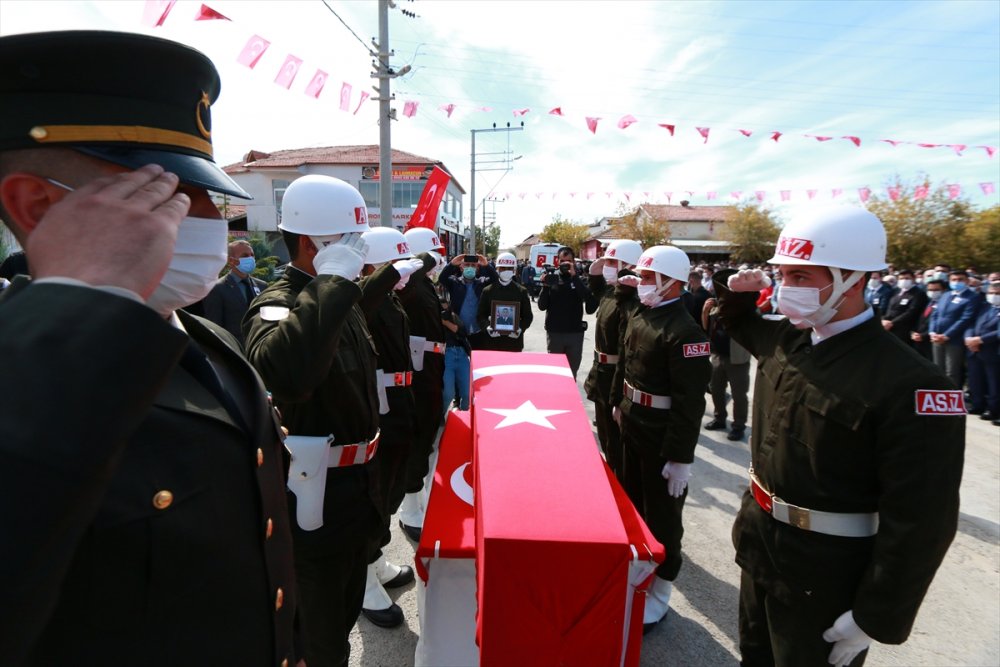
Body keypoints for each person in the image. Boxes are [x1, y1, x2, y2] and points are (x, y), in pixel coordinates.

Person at [0, 31, 296, 666]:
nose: (210, 219)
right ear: (38, 203)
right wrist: (85, 300)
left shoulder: (208, 338)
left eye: (210, 196)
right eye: (167, 193)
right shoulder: (22, 367)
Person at [721, 206, 965, 667]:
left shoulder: (912, 383)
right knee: (753, 656)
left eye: (801, 276)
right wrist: (737, 295)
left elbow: (922, 519)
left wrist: (876, 614)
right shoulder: (789, 339)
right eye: (782, 275)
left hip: (827, 575)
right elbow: (735, 324)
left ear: (853, 279)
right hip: (762, 548)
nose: (785, 288)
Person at [243, 175, 405, 666]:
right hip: (316, 500)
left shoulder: (338, 295)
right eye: (349, 240)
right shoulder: (280, 301)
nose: (359, 249)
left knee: (342, 611)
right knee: (317, 638)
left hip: (358, 489)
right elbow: (285, 374)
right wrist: (333, 283)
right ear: (315, 243)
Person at [611, 245, 711, 633]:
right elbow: (629, 363)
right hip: (633, 421)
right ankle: (638, 570)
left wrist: (681, 457)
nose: (642, 284)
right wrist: (622, 402)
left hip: (661, 433)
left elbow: (689, 405)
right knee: (633, 501)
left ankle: (662, 590)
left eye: (650, 278)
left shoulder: (686, 333)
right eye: (642, 276)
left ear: (673, 283)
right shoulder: (643, 313)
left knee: (663, 515)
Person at [356, 227, 424, 628]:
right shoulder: (364, 300)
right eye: (392, 266)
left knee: (392, 485)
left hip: (398, 401)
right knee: (376, 491)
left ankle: (377, 560)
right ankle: (364, 580)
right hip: (378, 406)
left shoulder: (392, 299)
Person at [396, 227, 450, 541]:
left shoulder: (426, 285)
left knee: (428, 434)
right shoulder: (410, 284)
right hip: (418, 370)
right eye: (434, 253)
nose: (439, 259)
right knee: (417, 439)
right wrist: (421, 259)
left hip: (430, 366)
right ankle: (409, 507)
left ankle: (417, 498)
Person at [583, 238, 642, 480]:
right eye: (606, 260)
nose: (606, 265)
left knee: (618, 447)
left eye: (612, 262)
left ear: (628, 266)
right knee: (606, 439)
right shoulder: (611, 289)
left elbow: (627, 351)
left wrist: (618, 395)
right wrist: (594, 275)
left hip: (615, 377)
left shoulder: (634, 298)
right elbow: (600, 293)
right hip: (602, 372)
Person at [702, 271, 752, 442]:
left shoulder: (745, 306)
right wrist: (706, 310)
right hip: (717, 355)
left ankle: (738, 426)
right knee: (716, 389)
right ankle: (719, 418)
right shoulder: (716, 305)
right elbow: (706, 326)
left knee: (739, 394)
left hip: (737, 358)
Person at [538, 246, 599, 379]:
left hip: (575, 334)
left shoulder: (580, 280)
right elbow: (542, 306)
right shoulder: (552, 278)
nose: (565, 264)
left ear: (574, 262)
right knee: (554, 374)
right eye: (562, 261)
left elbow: (590, 302)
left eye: (568, 261)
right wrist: (545, 287)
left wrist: (574, 277)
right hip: (555, 334)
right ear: (557, 262)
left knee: (571, 375)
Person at [200, 239, 267, 344]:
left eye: (252, 255)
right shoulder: (217, 288)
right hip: (235, 351)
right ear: (231, 260)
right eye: (245, 255)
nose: (250, 258)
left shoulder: (262, 286)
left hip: (259, 349)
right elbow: (215, 328)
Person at [929, 269, 981, 388]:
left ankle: (951, 398)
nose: (956, 282)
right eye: (953, 280)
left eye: (960, 280)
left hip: (954, 340)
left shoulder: (972, 298)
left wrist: (947, 335)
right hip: (936, 338)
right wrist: (932, 332)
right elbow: (935, 314)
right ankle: (939, 396)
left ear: (967, 281)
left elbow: (965, 319)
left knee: (952, 371)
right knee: (938, 369)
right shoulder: (946, 295)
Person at [439, 252, 498, 349]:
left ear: (477, 268)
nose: (470, 267)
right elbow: (442, 278)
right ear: (461, 267)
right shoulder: (454, 282)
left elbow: (496, 280)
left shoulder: (482, 282)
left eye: (473, 265)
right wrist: (452, 264)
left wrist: (487, 265)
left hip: (479, 332)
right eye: (467, 265)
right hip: (458, 332)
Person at [477, 252, 533, 352]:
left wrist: (520, 328)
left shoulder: (521, 291)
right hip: (492, 342)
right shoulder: (488, 290)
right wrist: (487, 327)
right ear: (497, 269)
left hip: (514, 342)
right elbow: (480, 315)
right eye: (502, 268)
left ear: (514, 270)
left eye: (509, 268)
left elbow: (528, 316)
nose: (506, 271)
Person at [964, 281, 1000, 425]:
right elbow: (971, 323)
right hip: (975, 350)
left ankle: (994, 410)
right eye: (991, 293)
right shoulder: (984, 307)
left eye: (997, 294)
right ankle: (978, 405)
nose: (993, 296)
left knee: (994, 383)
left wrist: (980, 340)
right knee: (975, 380)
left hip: (992, 351)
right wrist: (969, 338)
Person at [881, 268, 928, 345]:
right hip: (889, 327)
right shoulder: (896, 291)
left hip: (904, 329)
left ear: (913, 279)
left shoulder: (918, 293)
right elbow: (889, 307)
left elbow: (912, 311)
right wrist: (884, 319)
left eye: (907, 278)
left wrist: (892, 323)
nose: (904, 280)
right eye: (901, 278)